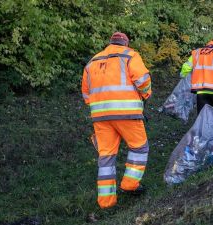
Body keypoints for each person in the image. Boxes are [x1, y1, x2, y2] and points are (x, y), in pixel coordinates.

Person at [81, 32, 152, 209]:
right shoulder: (130, 56)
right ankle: (130, 184)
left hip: (100, 116)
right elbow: (143, 80)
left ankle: (106, 202)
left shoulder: (92, 62)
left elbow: (86, 93)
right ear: (125, 43)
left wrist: (98, 105)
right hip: (127, 112)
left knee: (106, 156)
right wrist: (146, 95)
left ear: (110, 43)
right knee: (139, 147)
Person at [179, 34, 213, 118]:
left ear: (211, 41)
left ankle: (204, 129)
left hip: (201, 90)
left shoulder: (197, 52)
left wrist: (183, 74)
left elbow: (187, 66)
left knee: (203, 114)